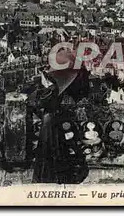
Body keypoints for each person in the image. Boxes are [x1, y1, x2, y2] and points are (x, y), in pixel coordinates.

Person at [32, 48, 89, 184]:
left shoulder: (55, 84)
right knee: (60, 152)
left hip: (50, 121)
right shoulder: (67, 81)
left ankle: (47, 177)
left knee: (48, 153)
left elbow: (40, 103)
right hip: (60, 120)